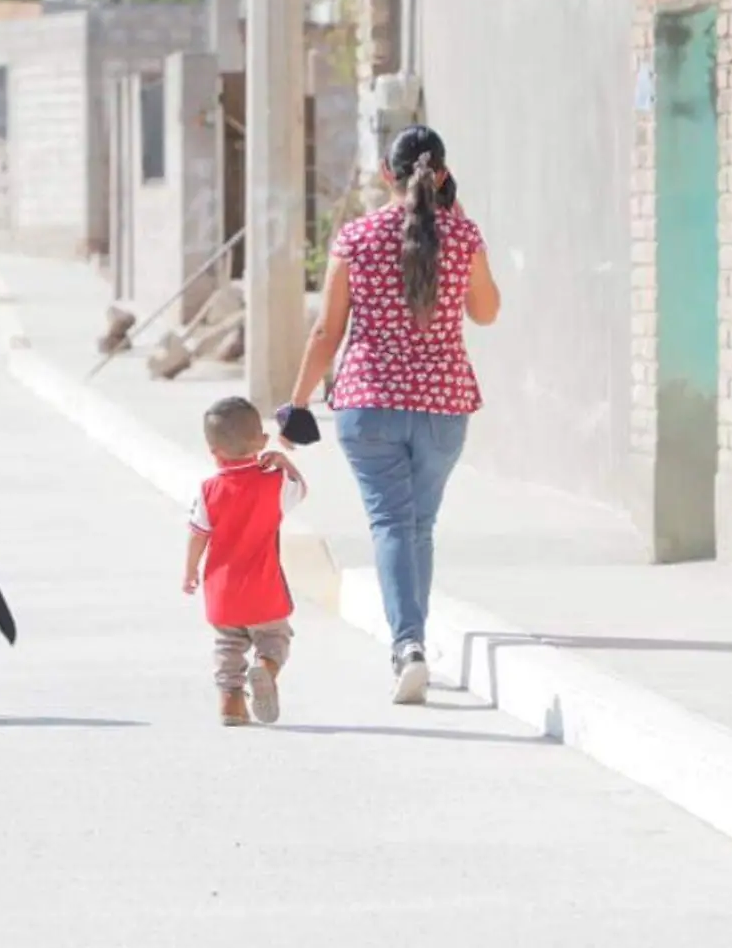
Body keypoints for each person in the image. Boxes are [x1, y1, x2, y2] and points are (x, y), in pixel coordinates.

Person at [276, 124, 501, 705]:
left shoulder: (356, 237)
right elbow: (487, 312)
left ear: (386, 174)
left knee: (393, 526)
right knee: (416, 527)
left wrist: (297, 403)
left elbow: (328, 330)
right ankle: (412, 643)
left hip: (369, 404)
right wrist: (457, 219)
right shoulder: (462, 234)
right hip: (444, 405)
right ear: (443, 174)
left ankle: (409, 645)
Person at [183, 397, 308, 727]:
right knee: (275, 640)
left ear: (213, 451)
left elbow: (198, 535)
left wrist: (190, 570)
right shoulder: (274, 483)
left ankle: (232, 704)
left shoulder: (209, 490)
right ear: (262, 441)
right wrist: (284, 463)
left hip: (222, 592)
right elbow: (301, 490)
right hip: (264, 589)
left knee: (228, 647)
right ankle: (265, 668)